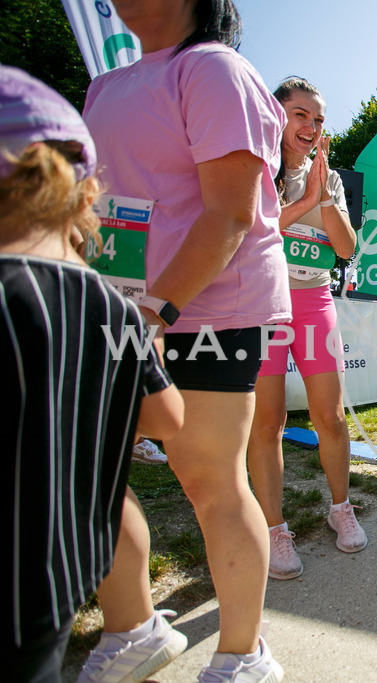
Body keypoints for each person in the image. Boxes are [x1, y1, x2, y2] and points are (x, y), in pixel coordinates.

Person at [82, 1, 291, 679]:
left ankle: (242, 655)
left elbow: (230, 213)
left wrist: (153, 313)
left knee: (210, 481)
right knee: (87, 472)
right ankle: (133, 629)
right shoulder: (104, 87)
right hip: (120, 307)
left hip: (205, 311)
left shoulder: (213, 69)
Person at [0, 66, 185, 681]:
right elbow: (165, 418)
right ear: (84, 196)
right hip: (54, 579)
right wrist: (150, 356)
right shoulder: (110, 305)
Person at [247, 77, 365, 583]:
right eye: (300, 115)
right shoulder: (255, 164)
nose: (311, 126)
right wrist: (306, 199)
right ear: (278, 116)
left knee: (330, 417)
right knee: (268, 422)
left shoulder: (329, 176)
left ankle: (341, 508)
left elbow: (346, 248)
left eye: (318, 119)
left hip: (315, 301)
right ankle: (275, 530)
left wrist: (325, 196)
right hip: (262, 304)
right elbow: (252, 229)